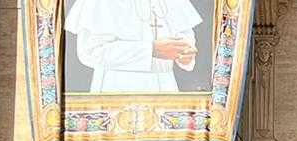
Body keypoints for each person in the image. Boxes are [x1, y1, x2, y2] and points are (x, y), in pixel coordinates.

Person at [65, 0, 205, 93]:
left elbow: (185, 38)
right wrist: (151, 50)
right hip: (116, 89)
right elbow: (90, 52)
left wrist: (185, 55)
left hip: (166, 88)